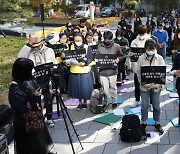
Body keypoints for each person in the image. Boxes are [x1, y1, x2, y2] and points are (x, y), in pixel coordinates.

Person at [8, 58, 56, 154]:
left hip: (36, 120)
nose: (32, 72)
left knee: (41, 145)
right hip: (25, 126)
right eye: (30, 70)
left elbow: (37, 88)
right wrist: (33, 97)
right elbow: (24, 109)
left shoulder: (29, 79)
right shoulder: (15, 91)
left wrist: (48, 91)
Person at [18, 35, 56, 127]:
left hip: (46, 77)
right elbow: (19, 57)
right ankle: (39, 118)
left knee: (48, 98)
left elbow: (53, 63)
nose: (35, 48)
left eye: (37, 45)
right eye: (33, 46)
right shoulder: (28, 50)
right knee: (36, 98)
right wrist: (29, 45)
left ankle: (49, 117)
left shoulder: (49, 50)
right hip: (34, 78)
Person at [136, 39, 165, 135]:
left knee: (156, 106)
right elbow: (138, 73)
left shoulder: (160, 58)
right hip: (145, 87)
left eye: (152, 49)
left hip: (156, 87)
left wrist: (156, 85)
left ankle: (157, 122)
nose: (150, 51)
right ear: (145, 48)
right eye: (149, 49)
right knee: (144, 106)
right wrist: (145, 84)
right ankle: (143, 122)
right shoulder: (141, 59)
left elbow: (162, 74)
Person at [96, 31, 123, 109]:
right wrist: (96, 59)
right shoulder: (100, 46)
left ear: (111, 38)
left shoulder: (116, 46)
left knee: (113, 87)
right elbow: (97, 56)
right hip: (103, 71)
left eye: (108, 39)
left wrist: (119, 59)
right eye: (105, 39)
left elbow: (121, 56)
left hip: (113, 70)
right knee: (105, 89)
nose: (106, 41)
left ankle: (114, 101)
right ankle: (107, 101)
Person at [67, 33, 94, 110]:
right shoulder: (71, 47)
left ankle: (85, 102)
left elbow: (90, 57)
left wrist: (85, 63)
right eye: (75, 40)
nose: (77, 42)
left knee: (84, 88)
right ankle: (80, 102)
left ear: (82, 40)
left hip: (84, 70)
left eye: (79, 40)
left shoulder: (86, 47)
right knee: (77, 88)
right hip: (74, 70)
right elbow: (68, 57)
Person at [128, 25, 151, 107]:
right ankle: (137, 99)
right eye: (140, 34)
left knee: (149, 85)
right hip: (137, 66)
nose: (141, 36)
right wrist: (130, 55)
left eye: (143, 33)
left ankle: (150, 102)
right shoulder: (134, 41)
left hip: (148, 65)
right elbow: (131, 53)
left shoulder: (150, 40)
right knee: (137, 84)